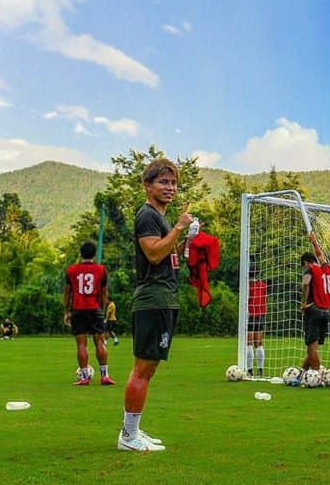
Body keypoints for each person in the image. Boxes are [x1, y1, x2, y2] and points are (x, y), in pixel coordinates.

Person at [117, 158, 194, 453]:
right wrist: (178, 227)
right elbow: (152, 254)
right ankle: (128, 436)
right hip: (153, 298)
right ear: (147, 185)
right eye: (163, 182)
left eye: (173, 183)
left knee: (148, 370)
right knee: (142, 369)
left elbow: (166, 255)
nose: (170, 188)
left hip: (163, 298)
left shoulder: (159, 218)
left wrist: (184, 239)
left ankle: (133, 429)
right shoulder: (148, 215)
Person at [65, 241, 115, 386]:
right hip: (94, 309)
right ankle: (104, 376)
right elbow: (105, 293)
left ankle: (85, 377)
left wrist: (66, 311)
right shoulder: (101, 270)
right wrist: (103, 310)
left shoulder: (71, 270)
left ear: (81, 254)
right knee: (100, 342)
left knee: (81, 344)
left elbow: (67, 292)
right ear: (94, 254)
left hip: (78, 309)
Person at [298, 231, 330, 382]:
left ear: (306, 263)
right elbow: (321, 255)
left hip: (314, 310)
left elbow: (306, 284)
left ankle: (318, 376)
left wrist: (304, 303)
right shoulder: (326, 269)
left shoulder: (310, 269)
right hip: (326, 311)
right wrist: (314, 242)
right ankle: (301, 374)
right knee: (312, 346)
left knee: (311, 347)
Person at [246, 267, 267, 376]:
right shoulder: (263, 285)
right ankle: (260, 369)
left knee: (249, 342)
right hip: (260, 314)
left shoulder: (247, 286)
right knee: (258, 343)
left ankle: (249, 370)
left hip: (250, 314)